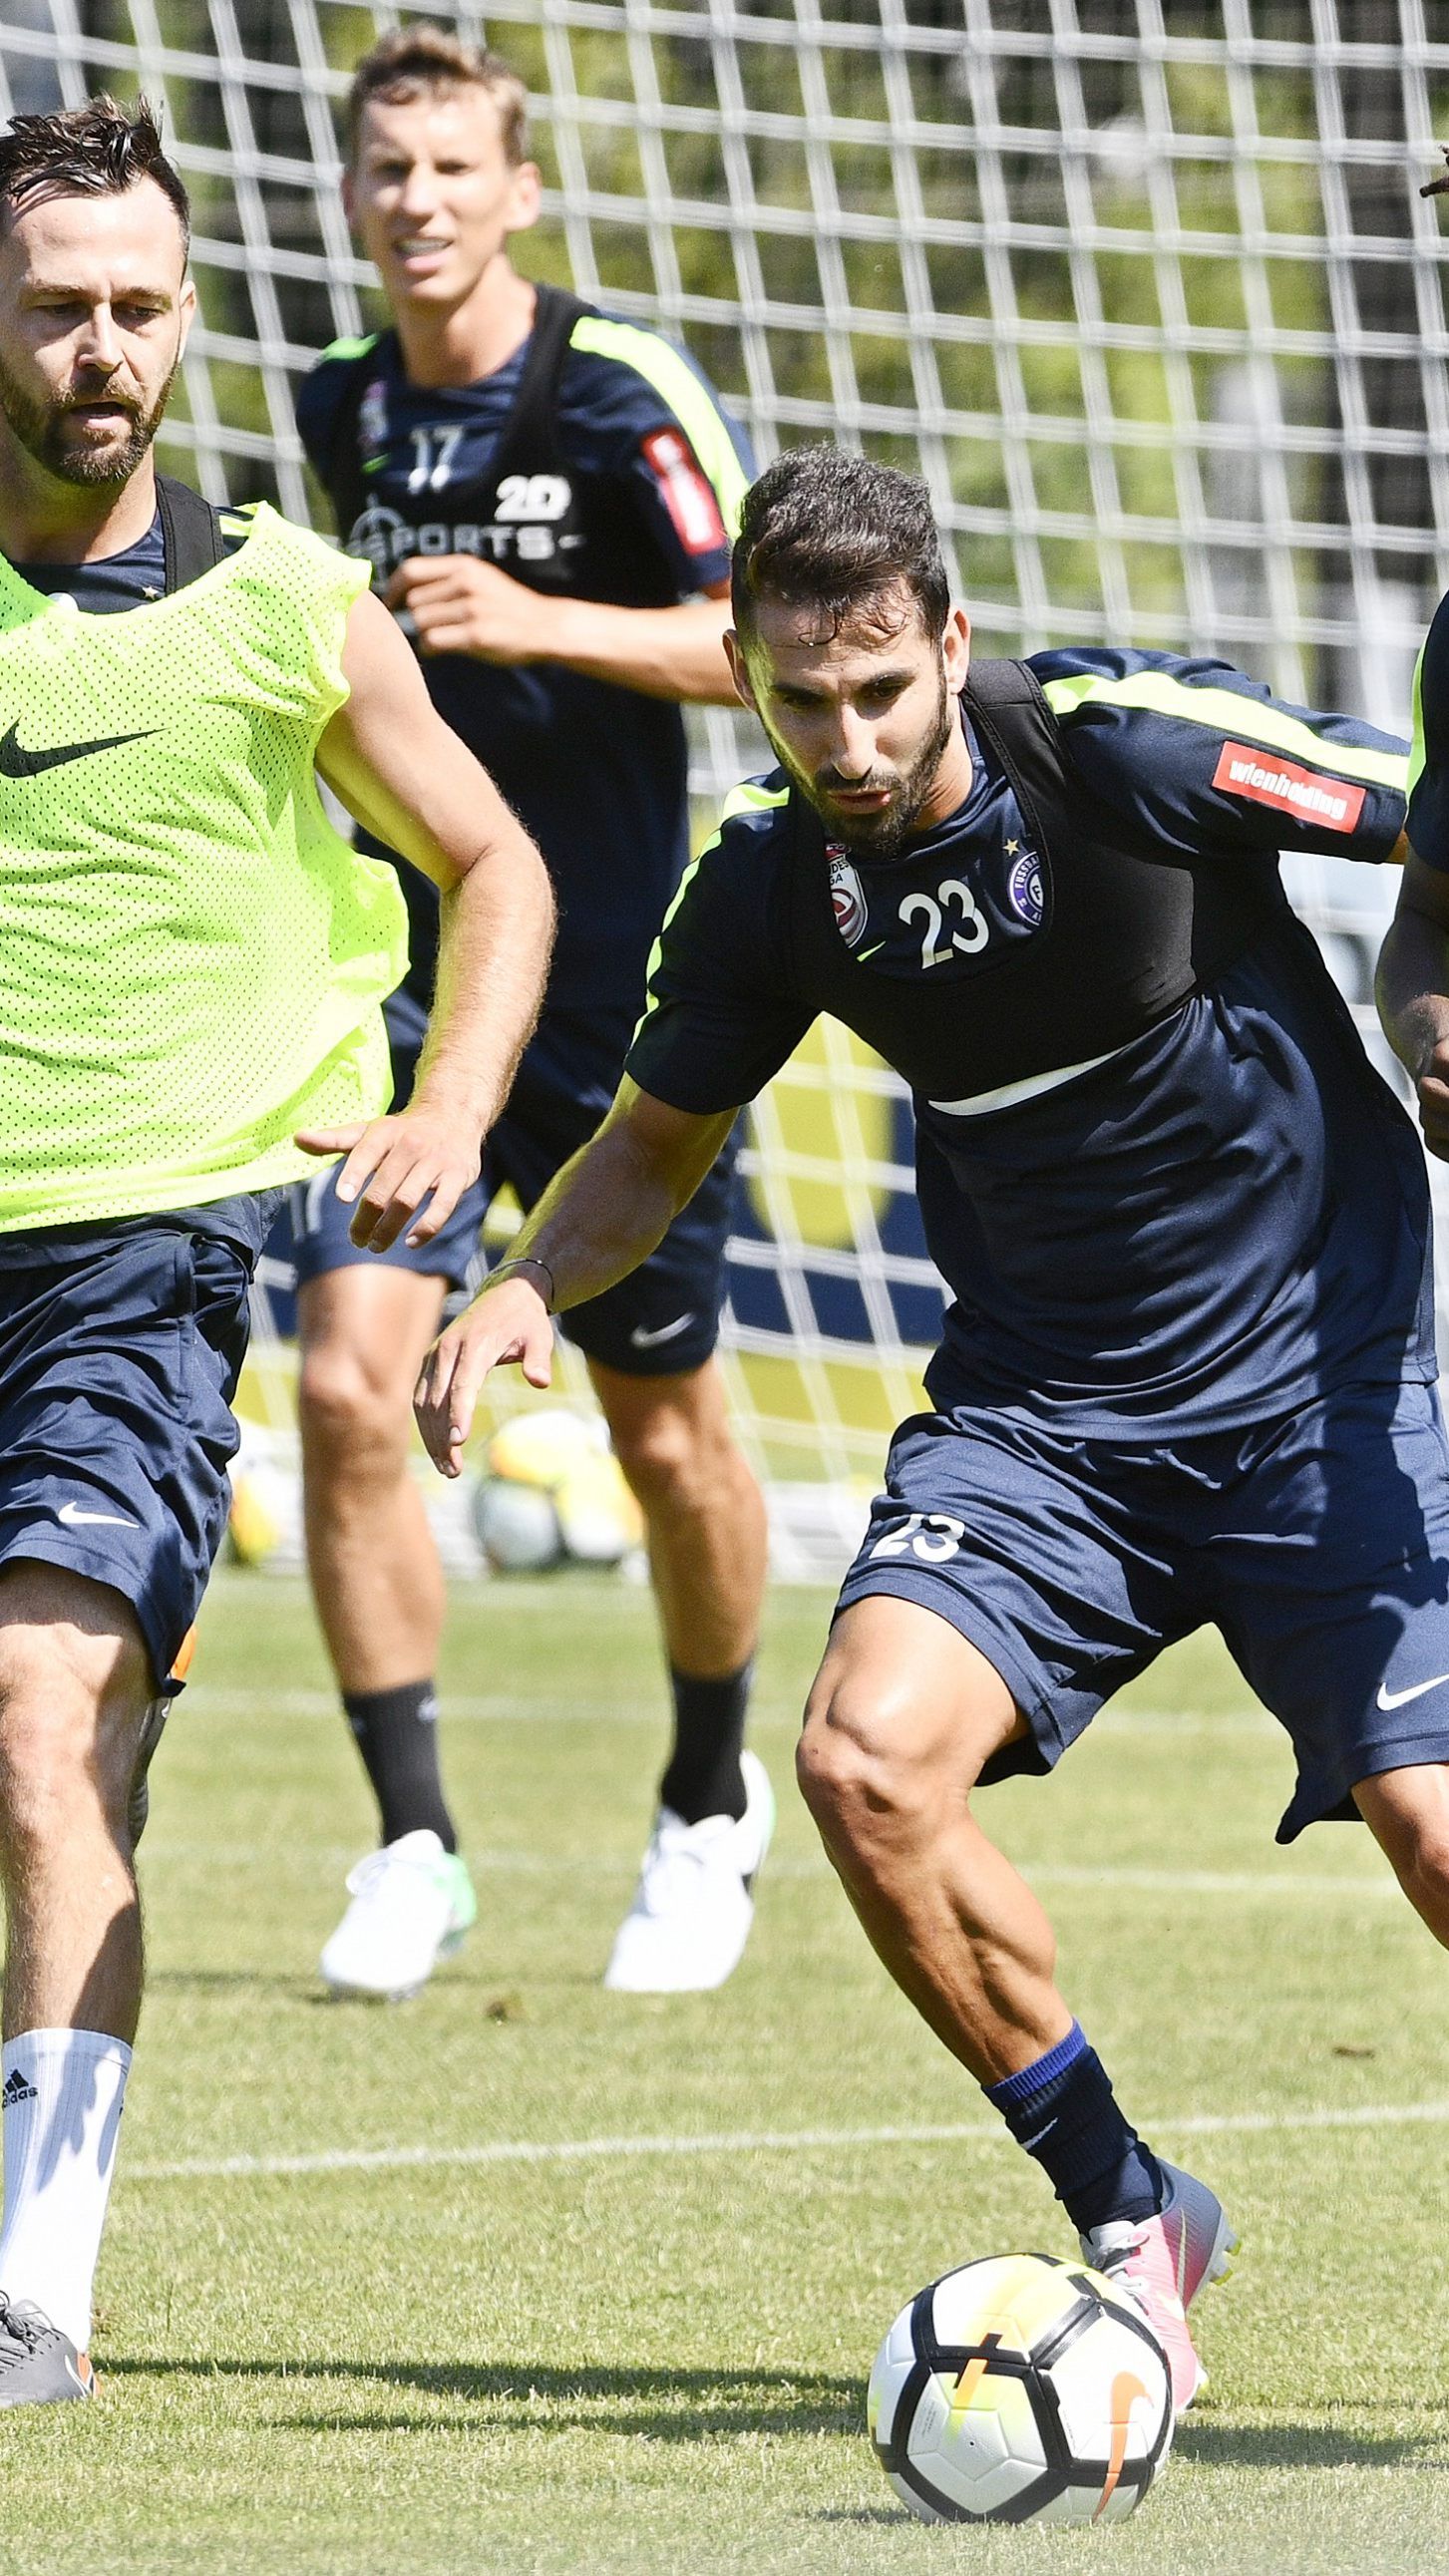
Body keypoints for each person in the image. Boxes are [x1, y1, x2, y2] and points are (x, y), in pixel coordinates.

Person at [415, 444, 1449, 2416]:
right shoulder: (767, 890)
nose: (847, 737)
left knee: (1433, 1827)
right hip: (1044, 1425)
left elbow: (1433, 817)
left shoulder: (1127, 745)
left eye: (879, 688)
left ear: (946, 641)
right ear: (743, 669)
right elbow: (647, 1145)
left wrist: (1425, 1008)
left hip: (1312, 1387)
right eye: (798, 699)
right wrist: (529, 1284)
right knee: (862, 1763)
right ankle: (1134, 2213)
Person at [0, 97, 553, 2406]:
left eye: (138, 306)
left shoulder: (280, 604)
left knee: (42, 1723)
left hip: (134, 1259)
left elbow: (495, 867)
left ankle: (34, 2271)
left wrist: (444, 1108)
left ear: (193, 317)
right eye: (54, 310)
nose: (100, 349)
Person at [289, 25, 771, 2006]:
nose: (419, 199)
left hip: (617, 1003)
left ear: (521, 189)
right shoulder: (337, 412)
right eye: (387, 168)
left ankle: (705, 1796)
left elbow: (771, 643)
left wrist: (545, 615)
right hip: (409, 1000)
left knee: (663, 1436)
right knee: (340, 1384)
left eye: (453, 167)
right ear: (351, 192)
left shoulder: (616, 389)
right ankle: (412, 1838)